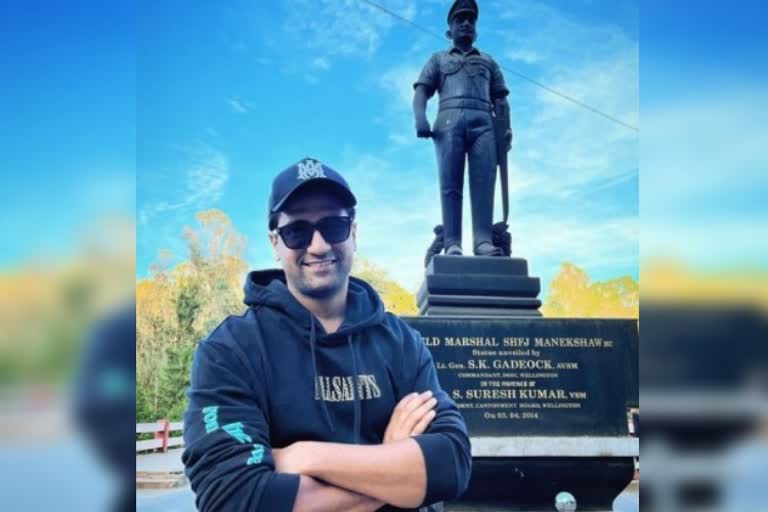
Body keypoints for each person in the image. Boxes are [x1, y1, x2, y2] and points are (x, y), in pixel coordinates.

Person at [182, 157, 472, 511]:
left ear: (354, 233)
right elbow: (233, 497)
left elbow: (450, 463)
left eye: (333, 226)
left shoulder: (402, 343)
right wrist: (390, 466)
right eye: (297, 231)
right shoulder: (229, 350)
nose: (318, 246)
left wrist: (304, 456)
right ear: (275, 243)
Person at [413, 0, 512, 257]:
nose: (466, 23)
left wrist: (507, 129)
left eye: (471, 19)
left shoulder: (488, 62)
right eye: (460, 19)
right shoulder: (438, 59)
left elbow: (501, 99)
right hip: (448, 122)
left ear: (476, 29)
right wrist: (420, 117)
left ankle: (483, 241)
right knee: (450, 184)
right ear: (449, 30)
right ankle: (452, 242)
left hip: (484, 123)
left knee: (483, 183)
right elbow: (422, 91)